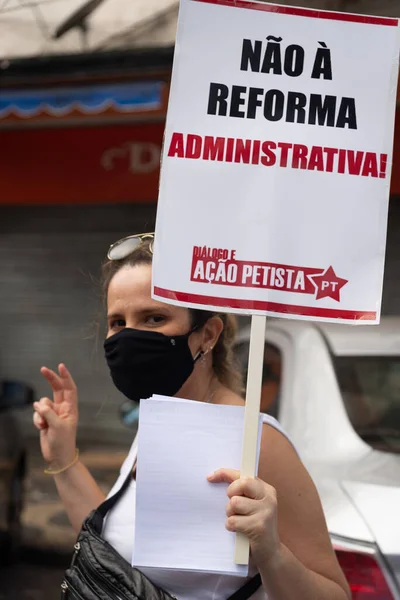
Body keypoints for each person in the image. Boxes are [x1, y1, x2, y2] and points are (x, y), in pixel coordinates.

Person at [33, 233, 350, 600]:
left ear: (208, 335)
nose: (130, 336)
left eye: (154, 318)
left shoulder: (258, 441)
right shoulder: (160, 418)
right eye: (118, 322)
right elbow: (108, 556)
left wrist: (272, 552)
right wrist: (63, 458)